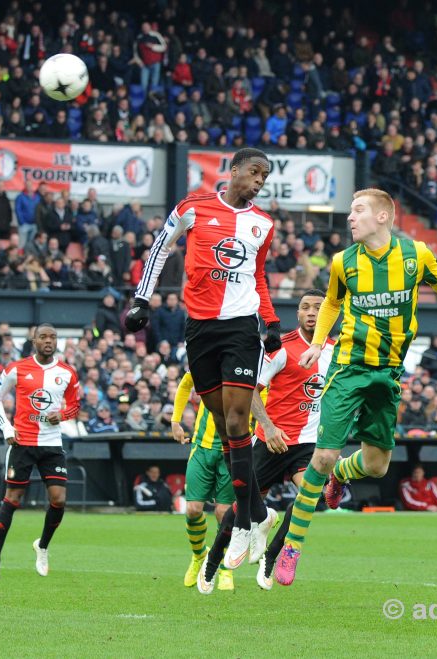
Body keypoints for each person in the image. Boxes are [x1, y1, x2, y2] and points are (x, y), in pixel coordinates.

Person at [276, 188, 437, 586]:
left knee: (376, 465)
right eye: (351, 210)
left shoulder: (415, 254)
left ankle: (342, 477)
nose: (350, 217)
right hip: (349, 368)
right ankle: (292, 546)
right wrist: (318, 345)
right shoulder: (342, 262)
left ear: (384, 216)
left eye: (358, 210)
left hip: (388, 373)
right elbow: (332, 302)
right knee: (323, 457)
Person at [125, 148, 282, 567]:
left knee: (235, 419)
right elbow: (160, 248)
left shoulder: (262, 224)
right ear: (233, 171)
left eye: (265, 176)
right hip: (200, 328)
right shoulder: (193, 206)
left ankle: (246, 523)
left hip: (241, 326)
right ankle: (260, 515)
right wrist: (142, 299)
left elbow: (258, 276)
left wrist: (269, 322)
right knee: (218, 420)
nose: (259, 181)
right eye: (254, 172)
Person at [198, 289, 335, 594]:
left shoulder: (337, 352)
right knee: (240, 506)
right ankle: (214, 559)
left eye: (319, 307)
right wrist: (269, 427)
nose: (312, 312)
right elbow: (251, 390)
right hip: (273, 441)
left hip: (309, 443)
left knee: (311, 498)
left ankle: (271, 556)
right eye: (305, 308)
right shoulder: (282, 347)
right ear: (297, 314)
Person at [0, 323, 80, 579]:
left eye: (53, 337)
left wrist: (60, 415)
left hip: (51, 445)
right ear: (34, 340)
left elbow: (74, 407)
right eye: (43, 337)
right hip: (23, 443)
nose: (48, 341)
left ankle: (43, 546)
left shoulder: (67, 373)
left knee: (59, 499)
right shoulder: (17, 368)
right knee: (13, 499)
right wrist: (6, 428)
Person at [171, 371, 235, 592]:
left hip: (232, 450)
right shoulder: (207, 361)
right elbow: (185, 384)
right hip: (202, 447)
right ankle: (199, 555)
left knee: (224, 513)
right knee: (193, 509)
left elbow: (262, 399)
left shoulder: (247, 366)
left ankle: (225, 568)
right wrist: (175, 421)